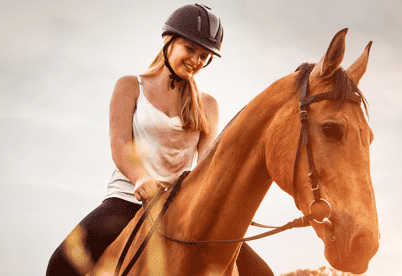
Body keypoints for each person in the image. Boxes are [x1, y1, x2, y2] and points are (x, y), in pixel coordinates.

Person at [47, 4, 273, 276]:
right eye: (190, 49)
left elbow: (209, 164)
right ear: (168, 41)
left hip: (181, 207)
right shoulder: (130, 86)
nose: (197, 61)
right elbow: (120, 145)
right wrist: (142, 178)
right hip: (129, 200)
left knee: (262, 274)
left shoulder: (207, 105)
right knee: (60, 264)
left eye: (204, 56)